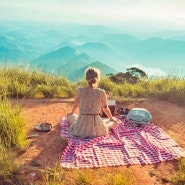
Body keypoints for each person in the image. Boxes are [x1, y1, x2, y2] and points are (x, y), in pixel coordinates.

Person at [67, 67, 120, 139]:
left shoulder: (79, 90)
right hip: (96, 124)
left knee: (70, 116)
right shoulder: (101, 92)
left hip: (81, 125)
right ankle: (108, 123)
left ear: (86, 78)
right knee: (114, 120)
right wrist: (111, 118)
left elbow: (76, 104)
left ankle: (78, 122)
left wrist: (72, 112)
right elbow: (105, 108)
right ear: (97, 78)